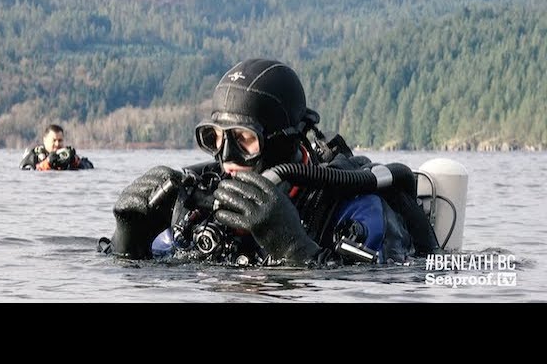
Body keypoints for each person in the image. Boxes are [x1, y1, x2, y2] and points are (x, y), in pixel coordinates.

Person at [98, 59, 440, 267]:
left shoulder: (355, 208)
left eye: (244, 139)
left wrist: (293, 248)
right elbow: (157, 264)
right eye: (215, 138)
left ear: (285, 141)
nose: (226, 158)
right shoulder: (199, 211)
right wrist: (129, 239)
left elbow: (381, 281)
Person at [19, 124, 94, 170]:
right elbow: (25, 168)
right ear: (45, 140)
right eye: (54, 140)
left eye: (60, 140)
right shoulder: (35, 155)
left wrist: (75, 161)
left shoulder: (66, 155)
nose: (57, 144)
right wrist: (47, 163)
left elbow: (89, 166)